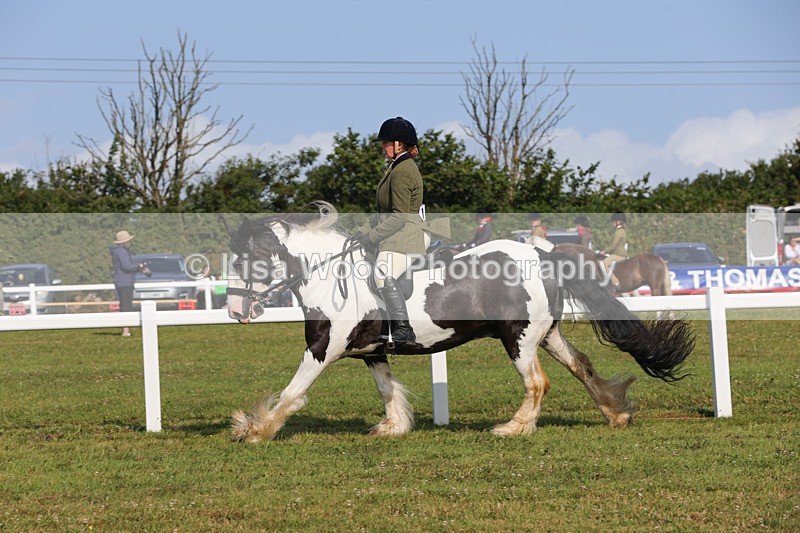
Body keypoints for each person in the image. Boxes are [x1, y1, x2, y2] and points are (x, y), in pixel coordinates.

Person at [352, 117, 426, 348]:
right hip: (395, 231)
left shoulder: (403, 170)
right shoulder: (396, 167)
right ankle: (380, 329)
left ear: (399, 144)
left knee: (382, 274)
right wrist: (360, 232)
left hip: (405, 234)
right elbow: (382, 213)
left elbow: (399, 216)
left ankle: (404, 330)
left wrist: (371, 238)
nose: (382, 147)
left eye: (385, 143)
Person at [109, 230, 148, 337]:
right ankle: (125, 330)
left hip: (123, 280)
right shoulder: (122, 252)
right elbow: (126, 266)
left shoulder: (118, 251)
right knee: (126, 305)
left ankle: (125, 329)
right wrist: (139, 266)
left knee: (125, 304)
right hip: (124, 281)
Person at [599, 212, 628, 288]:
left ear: (618, 222)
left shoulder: (619, 232)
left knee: (603, 264)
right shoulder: (621, 231)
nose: (612, 224)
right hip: (618, 253)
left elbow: (613, 246)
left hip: (619, 254)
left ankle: (616, 283)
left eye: (613, 222)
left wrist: (604, 251)